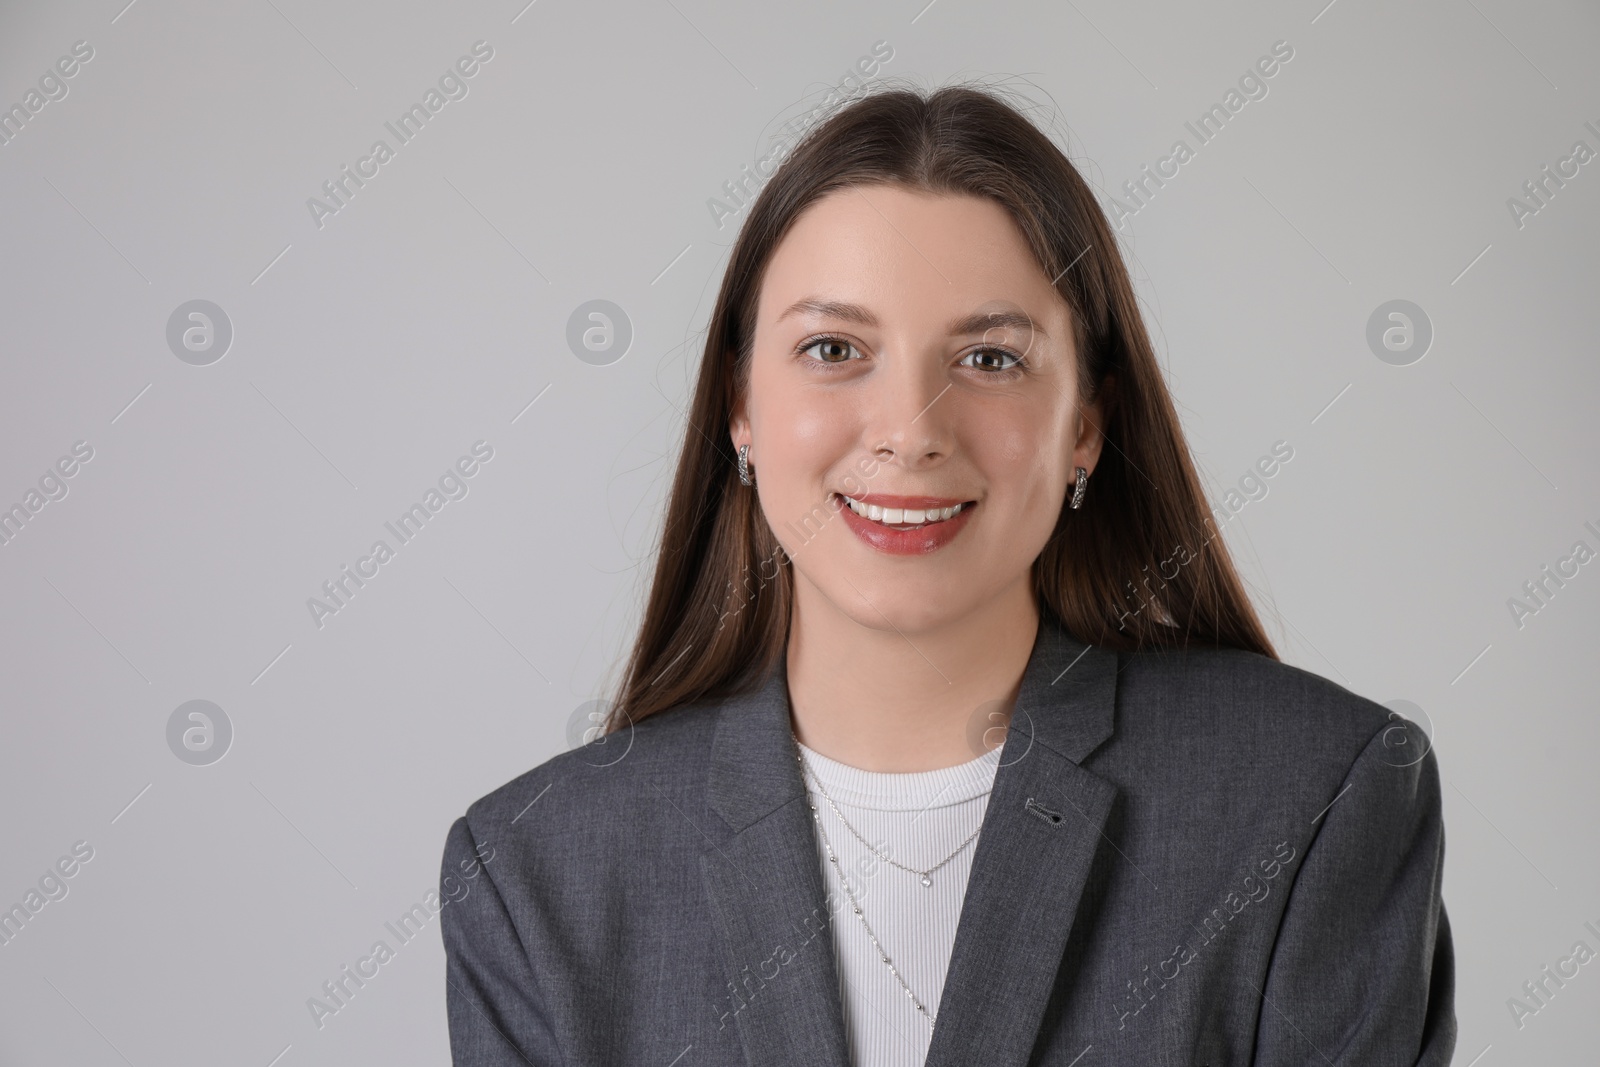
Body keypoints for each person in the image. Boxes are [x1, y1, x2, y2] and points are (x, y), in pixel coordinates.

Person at [440, 83, 1455, 1067]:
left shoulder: (1309, 801)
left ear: (1085, 430)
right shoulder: (539, 873)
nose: (909, 432)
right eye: (834, 347)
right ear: (738, 410)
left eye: (990, 358)